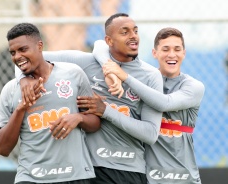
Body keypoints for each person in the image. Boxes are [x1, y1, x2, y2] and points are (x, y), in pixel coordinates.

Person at [16, 13, 163, 184]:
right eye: (125, 32)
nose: (133, 36)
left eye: (135, 31)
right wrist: (23, 79)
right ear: (109, 41)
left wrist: (105, 111)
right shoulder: (85, 62)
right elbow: (28, 59)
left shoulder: (151, 76)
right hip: (87, 169)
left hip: (127, 170)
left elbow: (151, 134)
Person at [94, 27, 205, 184]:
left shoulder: (193, 87)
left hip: (183, 178)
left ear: (184, 53)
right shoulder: (145, 79)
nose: (172, 54)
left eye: (177, 49)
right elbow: (100, 45)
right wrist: (110, 68)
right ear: (154, 53)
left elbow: (163, 103)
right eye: (165, 49)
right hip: (147, 177)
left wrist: (124, 76)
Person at [0, 23, 101, 184]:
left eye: (23, 50)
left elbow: (95, 123)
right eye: (13, 53)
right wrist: (20, 109)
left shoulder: (73, 74)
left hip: (75, 176)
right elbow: (3, 149)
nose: (17, 57)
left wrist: (78, 118)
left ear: (40, 46)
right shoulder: (10, 90)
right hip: (31, 178)